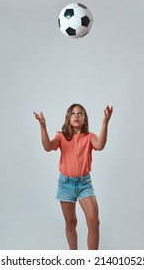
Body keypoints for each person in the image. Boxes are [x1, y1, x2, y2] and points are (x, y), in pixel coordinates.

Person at [34, 103, 113, 250]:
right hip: (66, 183)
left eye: (80, 113)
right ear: (68, 118)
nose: (76, 116)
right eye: (73, 113)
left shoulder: (90, 137)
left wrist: (105, 123)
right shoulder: (62, 137)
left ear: (85, 119)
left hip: (84, 184)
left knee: (94, 222)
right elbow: (47, 147)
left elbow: (100, 145)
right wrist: (43, 127)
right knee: (71, 223)